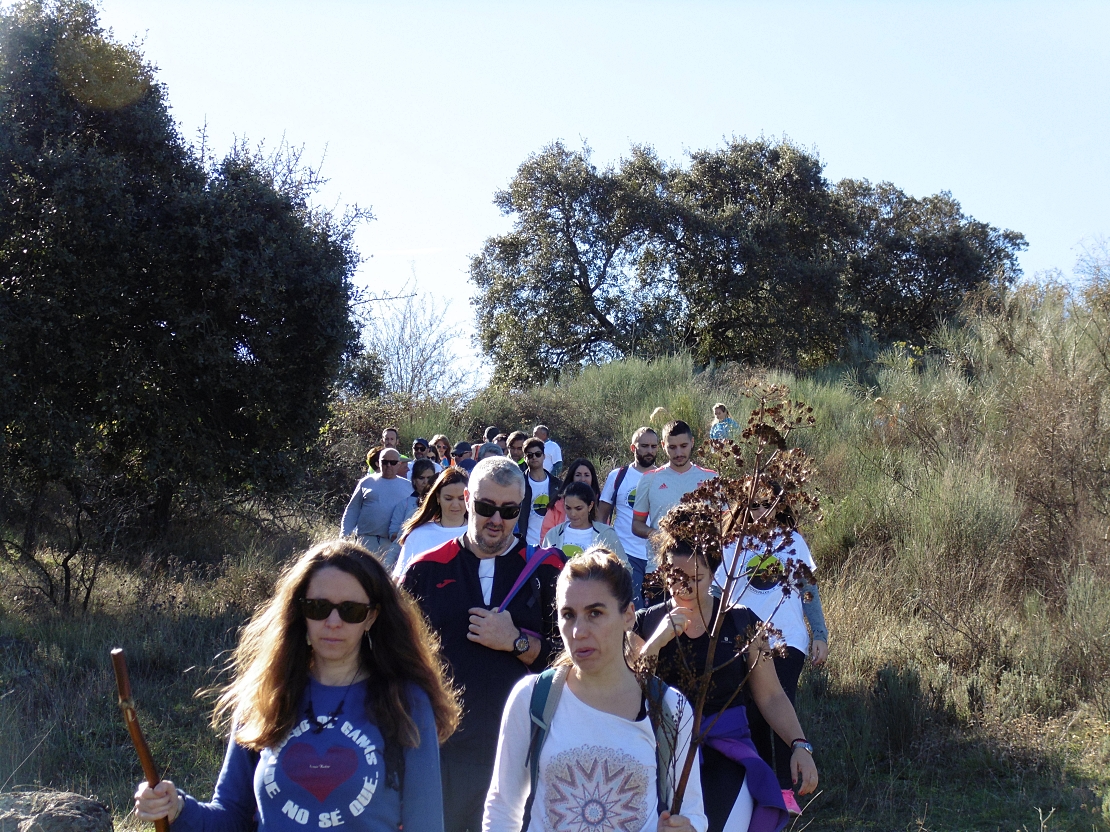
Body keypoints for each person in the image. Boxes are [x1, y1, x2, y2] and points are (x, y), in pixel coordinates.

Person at [133, 540, 461, 832]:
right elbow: (231, 816)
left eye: (351, 610)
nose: (333, 622)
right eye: (318, 608)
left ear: (372, 618)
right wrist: (175, 808)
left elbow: (426, 821)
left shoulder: (407, 702)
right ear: (300, 611)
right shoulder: (265, 697)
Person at [483, 547, 707, 832]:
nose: (578, 631)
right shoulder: (532, 698)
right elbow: (502, 809)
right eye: (568, 615)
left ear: (628, 615)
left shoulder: (670, 708)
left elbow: (694, 814)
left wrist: (687, 829)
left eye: (595, 613)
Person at [401, 457, 565, 832]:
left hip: (520, 756)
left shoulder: (547, 569)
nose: (496, 520)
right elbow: (399, 661)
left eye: (508, 511)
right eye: (486, 507)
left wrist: (517, 642)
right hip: (443, 756)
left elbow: (570, 662)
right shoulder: (425, 569)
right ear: (467, 499)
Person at [634, 520, 818, 830]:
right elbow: (629, 690)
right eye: (675, 578)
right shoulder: (645, 624)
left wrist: (799, 744)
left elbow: (771, 696)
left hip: (728, 754)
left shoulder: (741, 621)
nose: (684, 588)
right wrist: (657, 642)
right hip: (662, 756)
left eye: (696, 578)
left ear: (714, 574)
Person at [717, 490, 828, 811]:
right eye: (754, 505)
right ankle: (764, 791)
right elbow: (717, 592)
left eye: (768, 504)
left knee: (780, 707)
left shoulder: (792, 541)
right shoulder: (732, 545)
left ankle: (784, 791)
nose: (761, 511)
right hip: (746, 641)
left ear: (779, 505)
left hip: (788, 640)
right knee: (752, 713)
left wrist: (819, 633)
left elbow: (809, 590)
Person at [632, 421, 717, 600]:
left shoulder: (710, 477)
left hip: (700, 573)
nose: (678, 453)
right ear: (663, 446)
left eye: (683, 446)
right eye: (672, 447)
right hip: (659, 571)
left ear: (692, 442)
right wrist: (659, 536)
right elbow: (637, 525)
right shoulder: (649, 479)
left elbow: (724, 524)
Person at [598, 427, 660, 609]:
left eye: (654, 446)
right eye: (645, 446)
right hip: (624, 554)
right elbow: (602, 515)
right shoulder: (618, 476)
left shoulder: (663, 477)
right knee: (630, 609)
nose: (650, 451)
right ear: (633, 448)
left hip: (656, 557)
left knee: (655, 613)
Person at [392, 467, 470, 580]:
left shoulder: (479, 534)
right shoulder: (419, 534)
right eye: (448, 498)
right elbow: (400, 579)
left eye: (461, 498)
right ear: (438, 497)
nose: (455, 505)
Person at [341, 447, 414, 564]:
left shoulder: (408, 487)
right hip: (366, 540)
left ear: (399, 464)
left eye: (393, 462)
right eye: (384, 462)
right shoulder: (366, 482)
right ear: (378, 463)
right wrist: (344, 535)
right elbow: (352, 510)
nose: (388, 465)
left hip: (393, 544)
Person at [541, 481, 626, 561]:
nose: (573, 514)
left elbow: (625, 568)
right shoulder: (552, 534)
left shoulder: (606, 534)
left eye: (578, 508)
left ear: (590, 506)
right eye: (568, 508)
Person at [537, 457, 602, 543]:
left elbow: (605, 536)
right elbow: (546, 537)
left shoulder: (600, 507)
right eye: (578, 475)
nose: (582, 479)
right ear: (572, 478)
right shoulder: (557, 506)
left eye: (586, 475)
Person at [517, 437, 561, 548]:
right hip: (527, 544)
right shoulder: (518, 484)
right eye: (530, 455)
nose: (534, 458)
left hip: (553, 544)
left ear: (544, 456)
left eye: (537, 454)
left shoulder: (557, 485)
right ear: (525, 458)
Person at [389, 459, 438, 542]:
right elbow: (392, 534)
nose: (425, 482)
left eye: (429, 478)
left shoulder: (441, 502)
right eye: (421, 478)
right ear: (414, 480)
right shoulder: (404, 504)